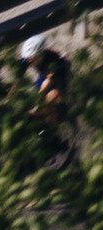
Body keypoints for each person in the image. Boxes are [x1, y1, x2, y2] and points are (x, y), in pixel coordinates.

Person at [22, 34, 73, 162]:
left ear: (40, 54)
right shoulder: (35, 59)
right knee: (34, 116)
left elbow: (48, 82)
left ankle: (58, 143)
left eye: (31, 59)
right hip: (42, 82)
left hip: (58, 86)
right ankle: (47, 141)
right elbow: (22, 67)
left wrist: (39, 99)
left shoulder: (54, 62)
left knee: (46, 109)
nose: (29, 62)